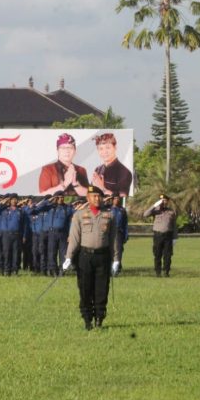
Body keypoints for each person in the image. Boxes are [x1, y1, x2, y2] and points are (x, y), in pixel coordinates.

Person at [63, 185, 120, 330]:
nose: (97, 198)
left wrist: (116, 259)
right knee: (85, 289)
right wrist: (68, 257)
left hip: (103, 256)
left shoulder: (109, 215)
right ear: (88, 198)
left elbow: (114, 239)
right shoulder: (79, 215)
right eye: (94, 196)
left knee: (101, 289)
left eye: (99, 196)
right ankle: (87, 319)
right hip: (85, 257)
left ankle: (99, 318)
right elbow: (74, 238)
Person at [144, 193, 178, 277]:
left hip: (168, 235)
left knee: (168, 255)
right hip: (158, 235)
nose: (163, 202)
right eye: (161, 200)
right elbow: (145, 214)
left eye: (165, 200)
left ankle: (166, 271)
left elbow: (174, 225)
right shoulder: (155, 211)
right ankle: (158, 272)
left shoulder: (171, 212)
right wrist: (154, 205)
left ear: (168, 201)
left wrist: (175, 238)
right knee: (157, 254)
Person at [90, 133, 133, 197]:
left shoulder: (125, 172)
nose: (104, 152)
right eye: (101, 149)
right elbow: (90, 190)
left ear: (115, 148)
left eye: (108, 147)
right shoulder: (98, 169)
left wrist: (102, 188)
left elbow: (122, 198)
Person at [107, 194, 128, 274]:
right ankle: (108, 267)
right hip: (108, 232)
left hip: (118, 232)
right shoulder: (107, 208)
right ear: (112, 199)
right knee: (108, 250)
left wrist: (126, 235)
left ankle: (117, 268)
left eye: (118, 198)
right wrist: (107, 199)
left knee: (118, 250)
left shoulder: (122, 210)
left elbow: (125, 223)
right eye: (115, 198)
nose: (117, 200)